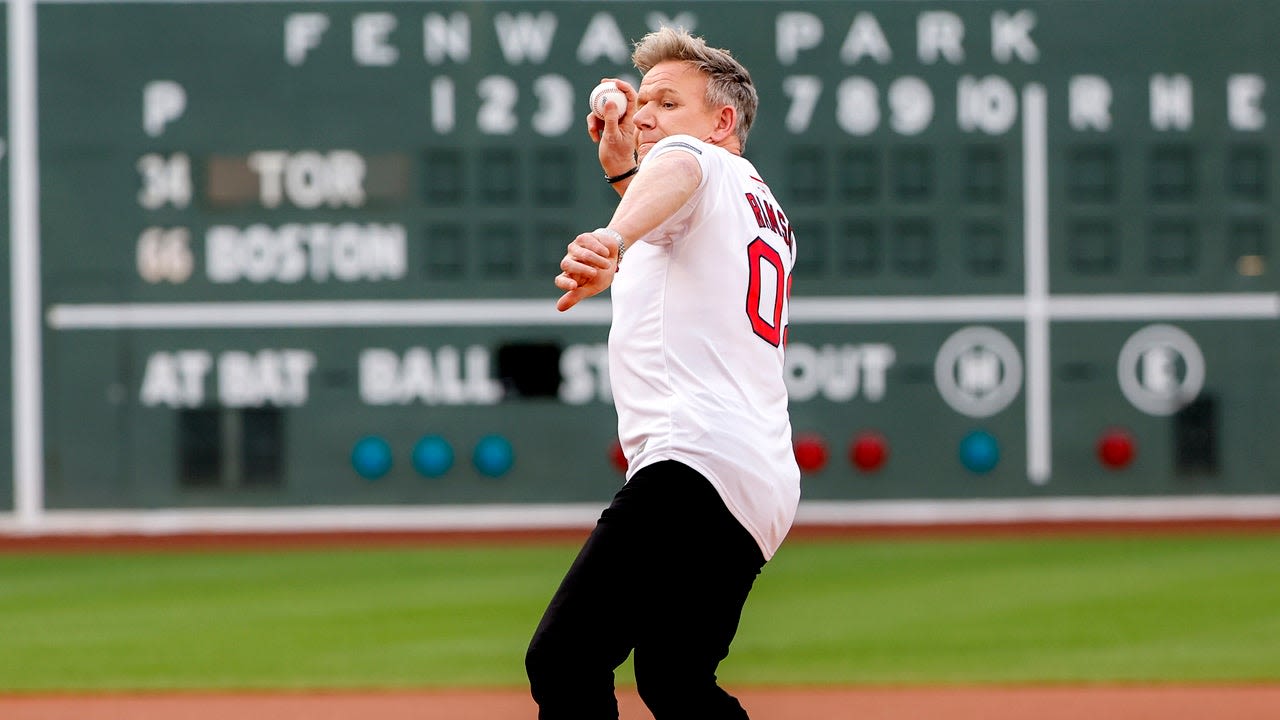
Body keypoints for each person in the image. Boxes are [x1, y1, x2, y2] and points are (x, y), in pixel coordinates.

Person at [525, 26, 800, 720]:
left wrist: (611, 235)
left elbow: (678, 172)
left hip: (694, 458)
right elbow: (674, 206)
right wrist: (625, 176)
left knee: (565, 656)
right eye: (642, 100)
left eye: (668, 102)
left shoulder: (694, 159)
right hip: (759, 480)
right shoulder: (762, 206)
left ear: (723, 120)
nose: (645, 114)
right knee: (676, 679)